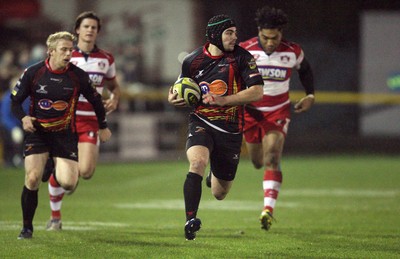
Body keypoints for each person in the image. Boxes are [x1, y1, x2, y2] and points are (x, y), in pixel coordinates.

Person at [168, 14, 264, 240]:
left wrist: (224, 100)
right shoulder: (192, 60)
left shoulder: (242, 57)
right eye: (229, 33)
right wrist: (172, 97)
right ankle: (190, 220)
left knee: (220, 193)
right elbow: (177, 87)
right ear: (214, 35)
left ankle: (215, 175)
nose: (234, 37)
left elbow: (257, 91)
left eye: (235, 32)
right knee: (197, 162)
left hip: (230, 129)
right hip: (201, 122)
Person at [11, 31, 111, 239]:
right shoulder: (33, 72)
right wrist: (23, 118)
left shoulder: (77, 76)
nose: (68, 54)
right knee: (32, 178)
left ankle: (54, 168)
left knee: (68, 183)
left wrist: (102, 125)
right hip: (38, 133)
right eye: (64, 50)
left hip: (64, 135)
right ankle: (27, 227)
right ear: (51, 51)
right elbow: (14, 101)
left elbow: (95, 101)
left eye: (71, 50)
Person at [238, 6, 315, 231]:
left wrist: (310, 95)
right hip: (250, 113)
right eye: (265, 37)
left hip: (277, 112)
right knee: (257, 162)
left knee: (272, 156)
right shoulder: (245, 50)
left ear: (281, 33)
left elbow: (306, 70)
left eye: (275, 37)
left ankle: (268, 210)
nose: (270, 42)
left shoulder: (292, 51)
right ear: (259, 31)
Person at [44, 11, 121, 231]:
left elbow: (113, 86)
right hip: (65, 121)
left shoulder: (106, 59)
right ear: (77, 29)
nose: (89, 30)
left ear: (97, 32)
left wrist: (115, 98)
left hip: (90, 121)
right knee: (68, 180)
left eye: (94, 27)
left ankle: (61, 171)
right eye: (86, 26)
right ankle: (55, 217)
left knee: (86, 172)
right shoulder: (66, 55)